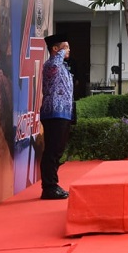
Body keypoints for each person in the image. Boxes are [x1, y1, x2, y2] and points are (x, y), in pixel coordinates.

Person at [40, 33, 73, 199]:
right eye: (65, 47)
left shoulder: (64, 68)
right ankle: (49, 187)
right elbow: (54, 65)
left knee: (58, 151)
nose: (69, 50)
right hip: (53, 113)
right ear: (55, 49)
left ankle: (53, 184)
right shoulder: (51, 65)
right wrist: (60, 51)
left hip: (64, 114)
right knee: (52, 151)